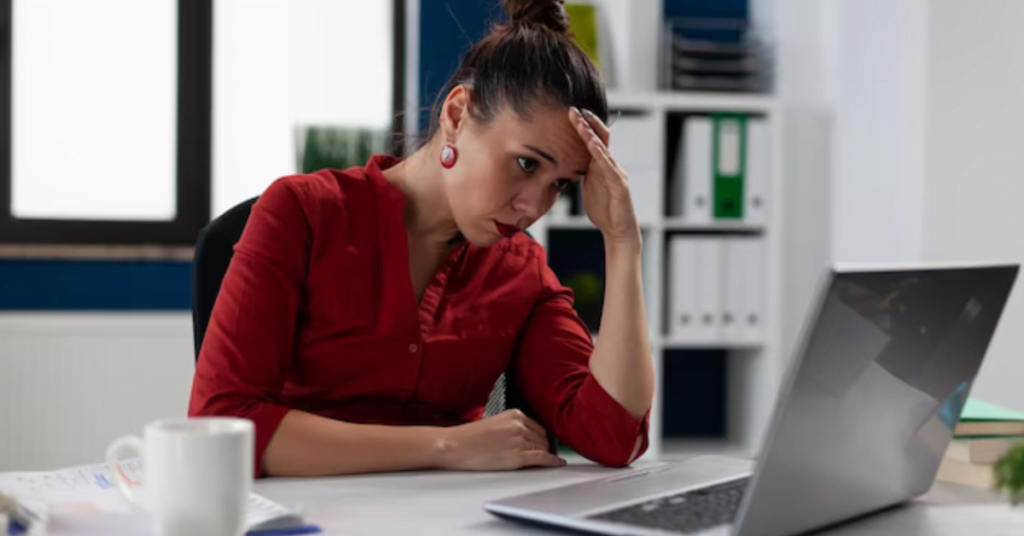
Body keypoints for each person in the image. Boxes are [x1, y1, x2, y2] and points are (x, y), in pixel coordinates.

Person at [188, 0, 654, 477]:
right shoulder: (303, 214)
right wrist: (445, 446)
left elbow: (614, 436)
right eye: (526, 164)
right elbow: (222, 425)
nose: (534, 207)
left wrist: (623, 242)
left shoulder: (521, 271)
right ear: (457, 115)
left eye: (560, 183)